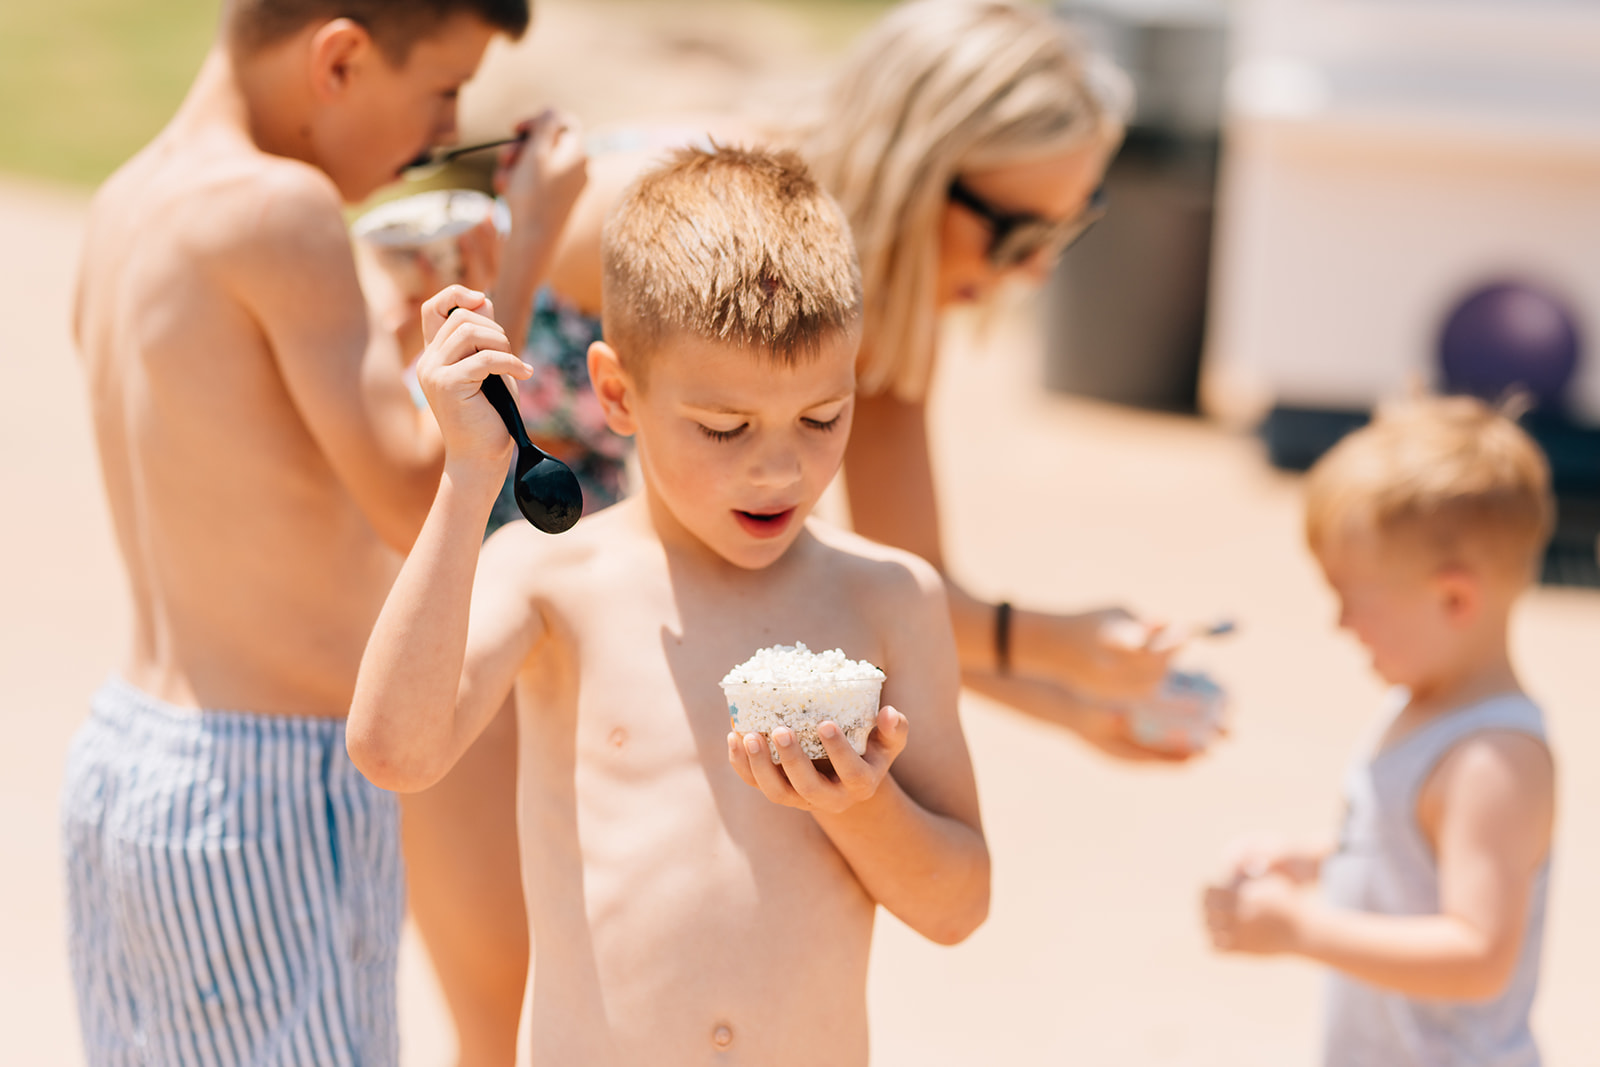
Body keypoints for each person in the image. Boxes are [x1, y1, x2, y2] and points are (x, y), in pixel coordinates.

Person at [347, 144, 991, 1065]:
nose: (781, 466)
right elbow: (393, 751)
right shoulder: (551, 577)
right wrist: (465, 478)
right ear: (617, 392)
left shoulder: (889, 598)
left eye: (822, 417)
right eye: (725, 428)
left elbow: (958, 903)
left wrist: (857, 804)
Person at [58, 1, 582, 1063]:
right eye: (441, 90)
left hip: (129, 758)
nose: (442, 134)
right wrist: (524, 253)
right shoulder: (282, 206)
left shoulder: (127, 200)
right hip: (263, 788)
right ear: (338, 59)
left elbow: (263, 459)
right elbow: (412, 500)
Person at [1201, 396, 1557, 1066]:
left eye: (1351, 596)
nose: (1340, 623)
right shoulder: (1424, 701)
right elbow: (1407, 844)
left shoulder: (1494, 759)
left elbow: (1478, 954)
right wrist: (1313, 860)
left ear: (1454, 598)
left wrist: (1300, 929)